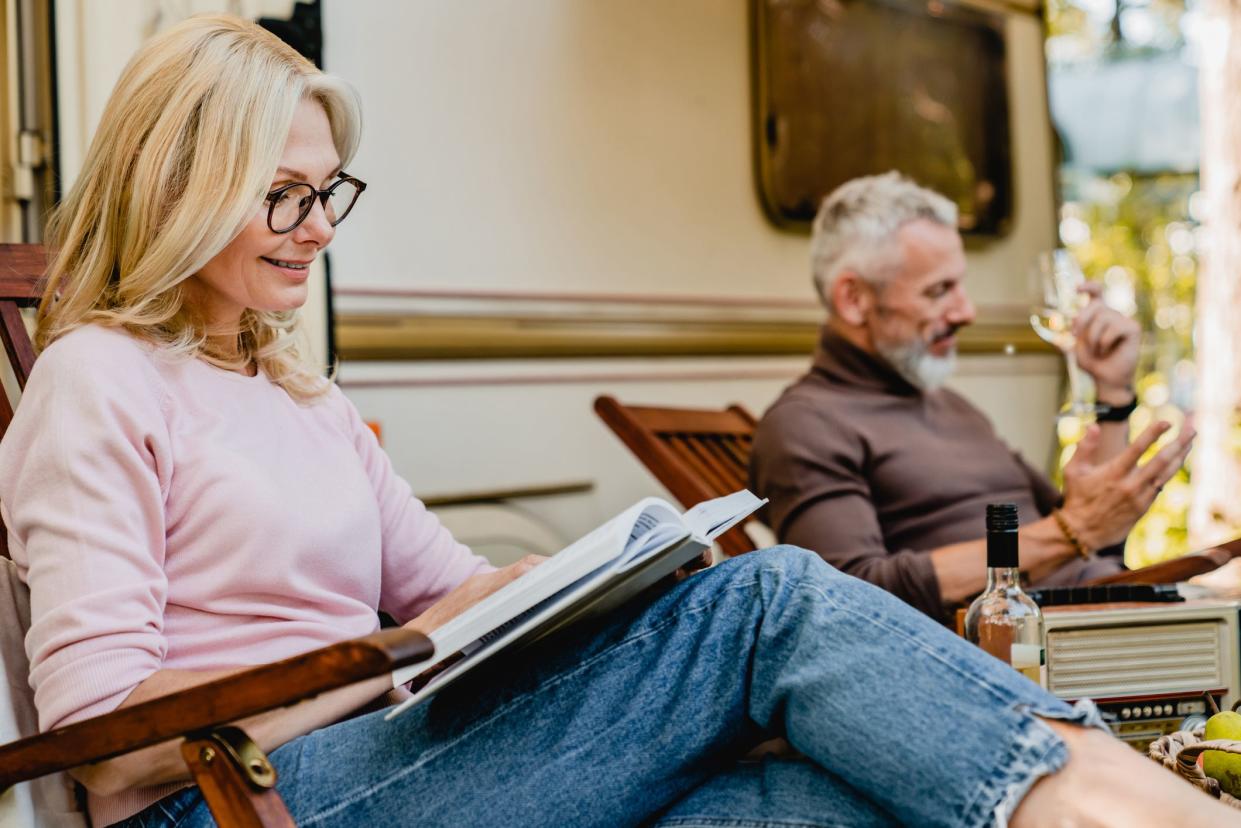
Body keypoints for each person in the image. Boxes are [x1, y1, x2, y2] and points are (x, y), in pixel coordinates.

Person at [0, 16, 1231, 828]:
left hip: (387, 755)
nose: (320, 227)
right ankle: (1161, 813)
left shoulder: (299, 396)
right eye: (280, 195)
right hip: (239, 801)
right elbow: (107, 748)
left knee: (815, 797)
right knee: (765, 601)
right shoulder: (99, 378)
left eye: (327, 192)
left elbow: (458, 588)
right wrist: (409, 649)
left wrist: (577, 590)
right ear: (175, 185)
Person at [749, 172, 1195, 623]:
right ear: (854, 298)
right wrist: (1071, 531)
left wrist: (1112, 394)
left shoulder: (952, 406)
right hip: (1024, 663)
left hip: (1109, 616)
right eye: (939, 290)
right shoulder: (805, 424)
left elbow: (1094, 535)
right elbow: (848, 597)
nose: (967, 311)